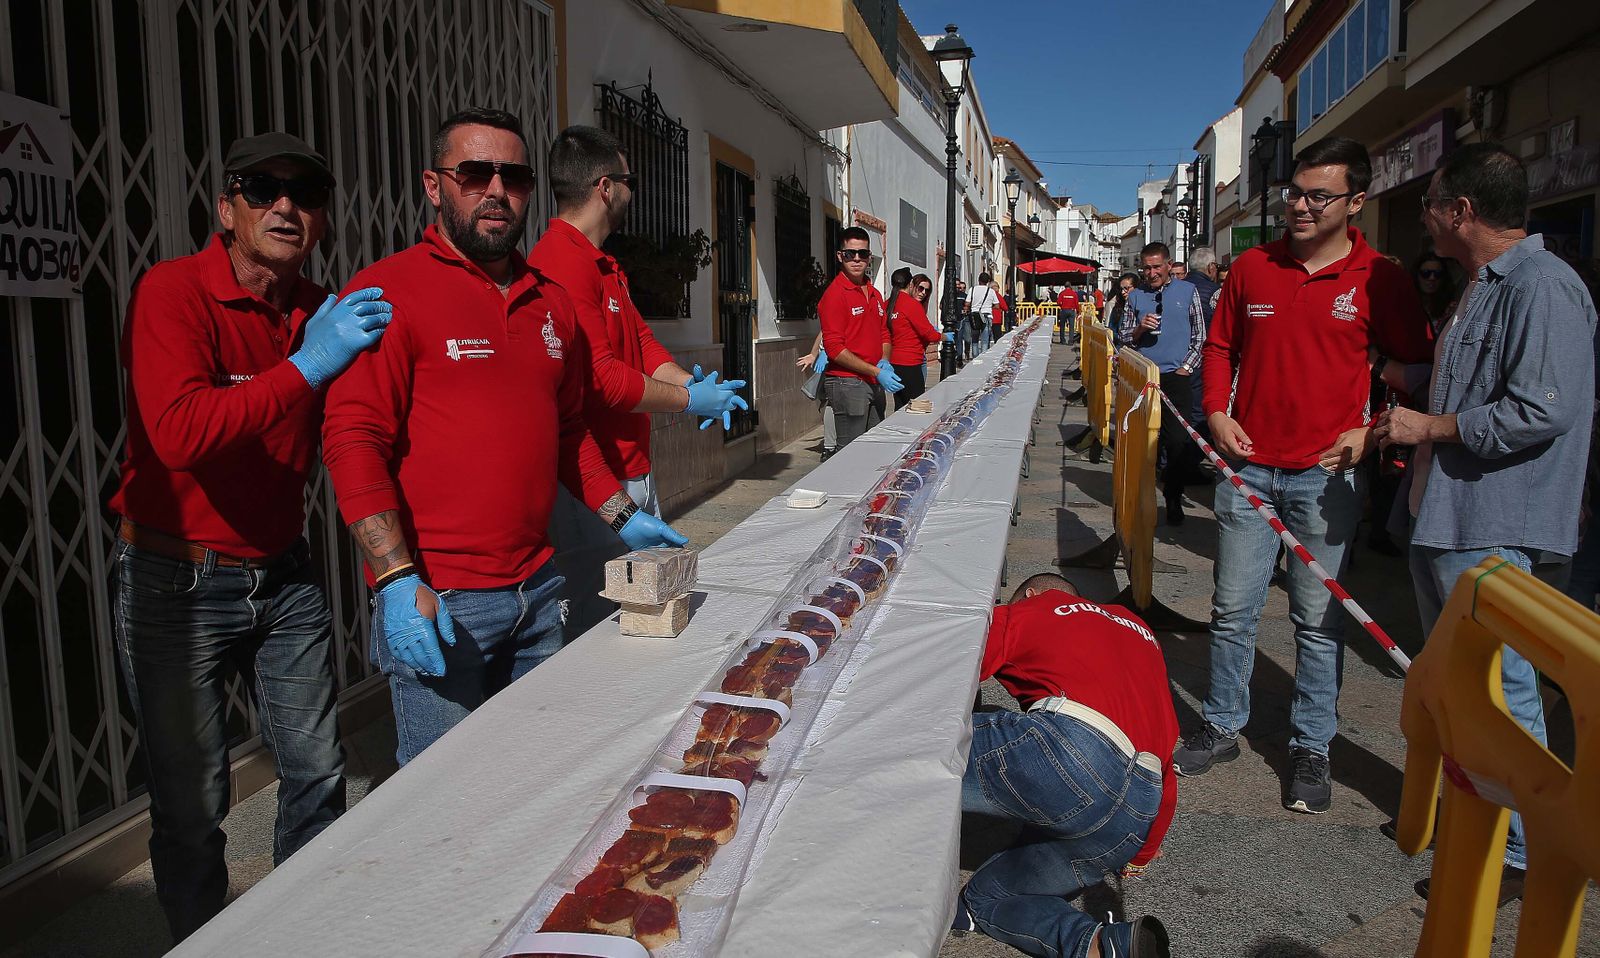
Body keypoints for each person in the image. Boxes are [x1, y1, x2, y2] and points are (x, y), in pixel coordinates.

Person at [322, 107, 686, 767]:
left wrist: (622, 515)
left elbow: (567, 429)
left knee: (536, 786)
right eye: (474, 173)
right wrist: (395, 579)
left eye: (513, 176)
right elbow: (353, 441)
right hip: (443, 600)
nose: (496, 190)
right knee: (444, 805)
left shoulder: (549, 302)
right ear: (435, 186)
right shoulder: (388, 291)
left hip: (540, 597)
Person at [109, 132, 387, 941]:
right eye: (262, 188)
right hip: (175, 577)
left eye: (306, 193)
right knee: (193, 802)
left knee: (317, 770)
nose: (286, 207)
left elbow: (359, 428)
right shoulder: (172, 293)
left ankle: (298, 932)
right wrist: (307, 366)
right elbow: (180, 433)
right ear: (225, 207)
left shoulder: (318, 310)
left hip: (284, 571)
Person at [1174, 136, 1433, 814]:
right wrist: (1213, 410)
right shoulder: (1253, 267)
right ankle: (1224, 722)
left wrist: (1372, 430)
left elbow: (1421, 371)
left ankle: (1311, 745)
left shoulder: (1382, 278)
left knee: (1319, 620)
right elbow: (1222, 346)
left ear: (1356, 202)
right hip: (1250, 469)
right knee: (1233, 610)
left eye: (1319, 195)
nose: (1301, 205)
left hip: (1328, 477)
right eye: (1296, 191)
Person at [1374, 142, 1597, 899]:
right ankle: (1480, 819)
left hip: (1494, 524)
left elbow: (1543, 408)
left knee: (1505, 699)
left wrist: (1426, 428)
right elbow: (1478, 382)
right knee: (1465, 694)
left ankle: (1524, 857)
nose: (1427, 221)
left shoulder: (1543, 287)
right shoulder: (1485, 285)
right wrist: (1410, 382)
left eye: (1432, 204)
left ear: (1461, 211)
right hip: (1452, 518)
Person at [529, 125, 744, 639]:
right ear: (606, 187)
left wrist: (689, 383)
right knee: (600, 628)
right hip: (591, 481)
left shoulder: (604, 264)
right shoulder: (559, 263)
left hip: (631, 466)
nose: (632, 192)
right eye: (630, 181)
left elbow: (641, 340)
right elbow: (601, 378)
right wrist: (688, 401)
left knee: (643, 615)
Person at [952, 572, 1175, 958]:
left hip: (1072, 749)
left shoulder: (1038, 607)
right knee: (989, 896)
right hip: (1137, 809)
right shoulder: (1139, 630)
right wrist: (1139, 856)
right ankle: (1104, 945)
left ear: (1032, 594)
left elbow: (961, 662)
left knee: (910, 747)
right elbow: (1168, 777)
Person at [1116, 242, 1206, 525]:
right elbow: (1123, 337)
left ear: (1169, 265)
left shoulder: (1187, 291)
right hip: (1144, 376)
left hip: (1175, 377)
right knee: (1143, 441)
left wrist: (1185, 368)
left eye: (1156, 267)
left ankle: (1173, 495)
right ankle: (1140, 500)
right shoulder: (1136, 296)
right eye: (1147, 267)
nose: (1152, 272)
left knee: (1178, 441)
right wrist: (1141, 327)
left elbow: (1199, 335)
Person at [819, 227, 901, 448]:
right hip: (848, 383)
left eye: (862, 254)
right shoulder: (835, 295)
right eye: (850, 254)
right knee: (850, 452)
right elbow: (834, 348)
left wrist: (884, 360)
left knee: (874, 447)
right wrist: (876, 371)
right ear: (840, 256)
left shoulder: (873, 292)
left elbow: (884, 332)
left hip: (873, 380)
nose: (856, 259)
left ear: (869, 256)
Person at [888, 270, 944, 407]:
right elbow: (929, 334)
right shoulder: (911, 305)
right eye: (920, 288)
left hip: (894, 361)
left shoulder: (888, 304)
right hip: (910, 362)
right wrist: (945, 337)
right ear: (911, 284)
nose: (923, 292)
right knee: (916, 405)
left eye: (927, 290)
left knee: (900, 404)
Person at [967, 272, 998, 354]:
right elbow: (997, 305)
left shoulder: (972, 289)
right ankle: (983, 357)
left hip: (975, 315)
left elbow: (967, 303)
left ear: (978, 280)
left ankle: (975, 358)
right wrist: (988, 307)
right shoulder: (991, 291)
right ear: (988, 281)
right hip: (987, 316)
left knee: (975, 339)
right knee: (985, 340)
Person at [953, 277, 972, 365]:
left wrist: (966, 309)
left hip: (964, 319)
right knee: (957, 339)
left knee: (966, 339)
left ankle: (964, 354)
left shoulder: (964, 295)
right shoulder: (950, 295)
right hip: (955, 320)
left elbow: (968, 305)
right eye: (960, 287)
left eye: (963, 288)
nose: (961, 289)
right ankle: (958, 358)